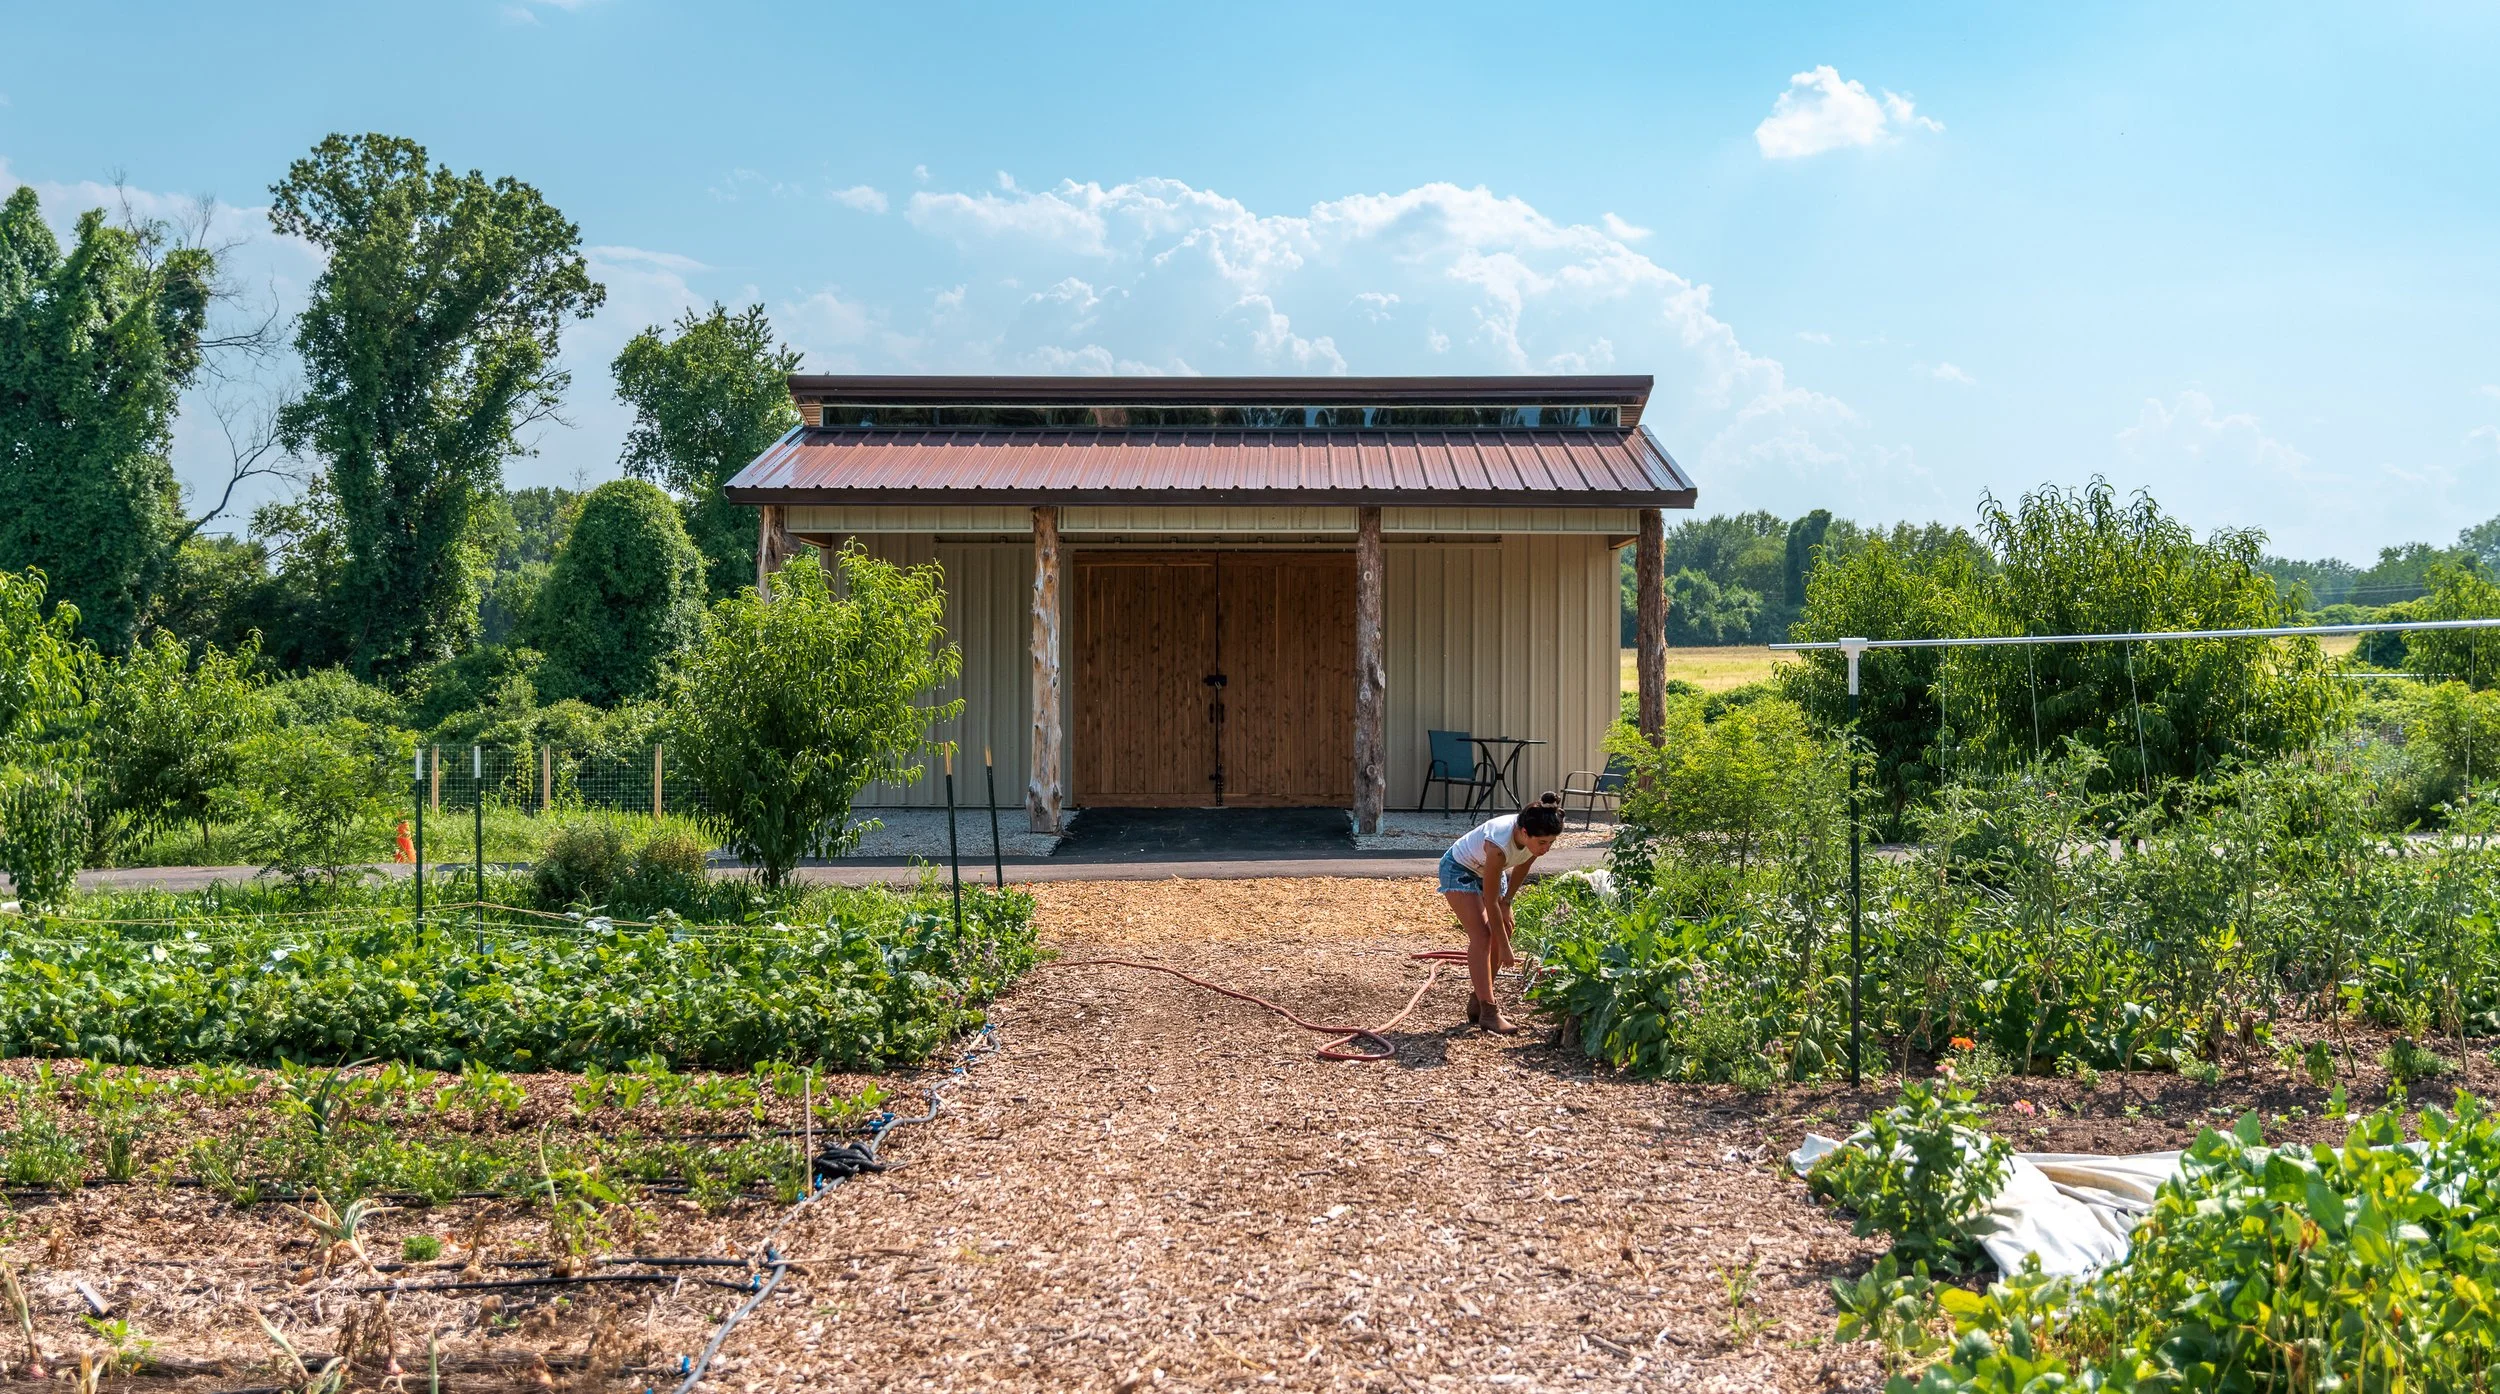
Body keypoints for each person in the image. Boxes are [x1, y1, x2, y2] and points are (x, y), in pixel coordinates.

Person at [1438, 793, 1564, 1033]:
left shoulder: (1532, 842)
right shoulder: (1498, 845)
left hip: (1491, 871)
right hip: (1459, 869)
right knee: (1483, 936)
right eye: (1543, 843)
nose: (1546, 848)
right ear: (1524, 833)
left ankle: (1479, 998)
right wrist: (1505, 947)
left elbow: (1521, 868)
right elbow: (1490, 899)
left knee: (1504, 928)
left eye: (1551, 843)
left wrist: (1508, 902)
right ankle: (1489, 1011)